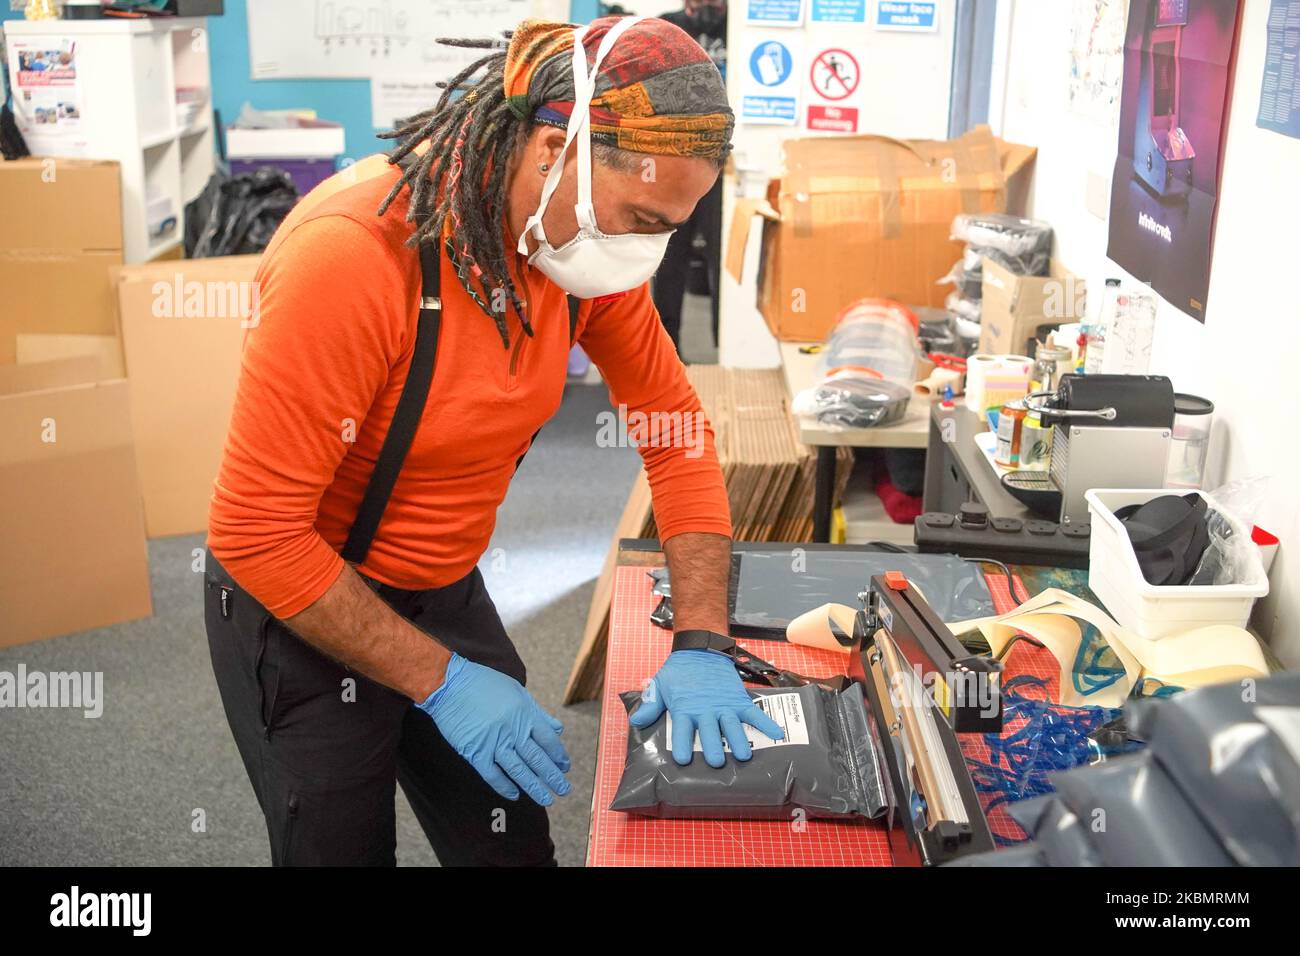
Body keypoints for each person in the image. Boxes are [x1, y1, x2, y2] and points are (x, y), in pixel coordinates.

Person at [204, 14, 783, 867]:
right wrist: (438, 679)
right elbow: (256, 533)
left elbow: (678, 437)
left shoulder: (582, 246)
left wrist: (700, 639)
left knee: (510, 844)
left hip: (441, 582)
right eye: (642, 216)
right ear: (556, 150)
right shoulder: (355, 258)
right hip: (304, 600)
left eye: (670, 226)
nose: (646, 252)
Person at [652, 0, 728, 353]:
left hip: (725, 167)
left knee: (721, 259)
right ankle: (668, 348)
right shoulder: (668, 29)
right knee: (669, 259)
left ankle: (725, 345)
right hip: (674, 163)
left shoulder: (740, 32)